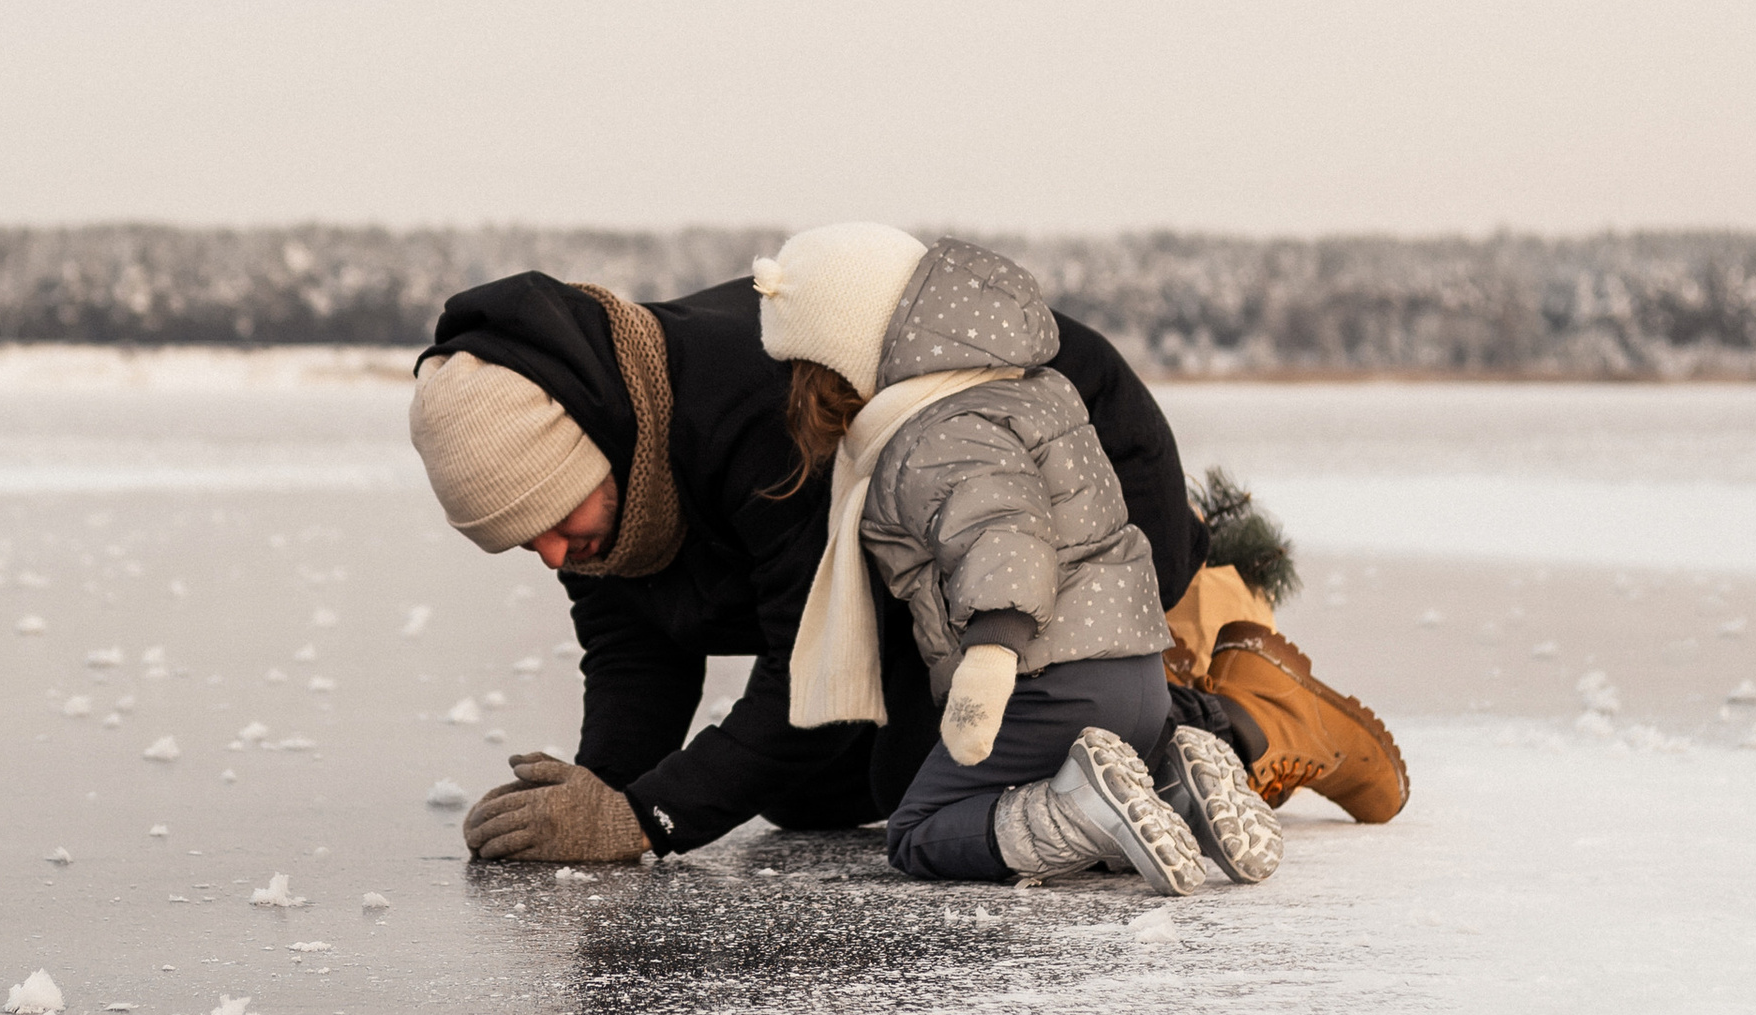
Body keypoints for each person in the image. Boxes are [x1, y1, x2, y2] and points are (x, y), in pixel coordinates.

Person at [408, 247, 1233, 864]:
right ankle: (1123, 733)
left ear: (604, 446)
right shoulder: (611, 456)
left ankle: (1199, 729)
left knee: (924, 790)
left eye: (556, 518)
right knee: (804, 796)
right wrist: (601, 795)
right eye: (526, 542)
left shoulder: (752, 417)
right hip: (925, 558)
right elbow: (639, 650)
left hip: (1078, 489)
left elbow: (818, 678)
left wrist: (644, 821)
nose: (555, 556)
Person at [749, 224, 1283, 891]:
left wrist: (989, 660)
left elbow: (1007, 533)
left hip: (1048, 682)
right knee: (1033, 787)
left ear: (845, 352)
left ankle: (1083, 811)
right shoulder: (1024, 388)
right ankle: (1175, 786)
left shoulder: (933, 434)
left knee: (918, 828)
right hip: (1140, 677)